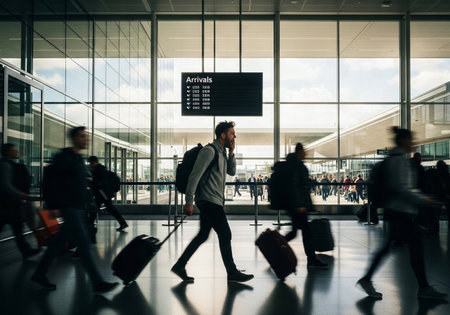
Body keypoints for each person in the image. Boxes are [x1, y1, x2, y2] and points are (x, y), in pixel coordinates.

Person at [356, 127, 447, 300]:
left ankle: (368, 279)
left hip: (397, 212)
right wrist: (425, 199)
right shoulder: (398, 161)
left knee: (396, 247)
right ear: (404, 141)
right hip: (400, 212)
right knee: (413, 248)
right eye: (411, 139)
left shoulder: (395, 159)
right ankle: (423, 287)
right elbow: (403, 189)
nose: (413, 142)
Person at [31, 126, 118, 293]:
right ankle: (97, 282)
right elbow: (49, 182)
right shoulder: (64, 158)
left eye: (87, 136)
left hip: (77, 207)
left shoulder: (79, 159)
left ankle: (40, 273)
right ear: (74, 138)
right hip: (69, 207)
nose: (86, 139)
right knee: (84, 244)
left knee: (57, 242)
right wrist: (53, 206)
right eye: (82, 136)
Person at [171, 121, 254, 283]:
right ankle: (232, 272)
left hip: (213, 200)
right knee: (225, 234)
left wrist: (232, 153)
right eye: (232, 133)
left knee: (202, 235)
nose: (234, 136)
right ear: (223, 135)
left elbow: (231, 171)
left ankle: (180, 265)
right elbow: (194, 176)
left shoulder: (222, 153)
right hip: (209, 200)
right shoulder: (209, 151)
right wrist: (189, 201)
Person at [284, 143, 328, 269]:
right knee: (306, 232)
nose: (306, 153)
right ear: (299, 151)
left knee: (295, 232)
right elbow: (295, 186)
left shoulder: (295, 164)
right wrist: (299, 205)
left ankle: (276, 246)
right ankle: (311, 259)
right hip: (297, 206)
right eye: (304, 150)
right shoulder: (296, 165)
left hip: (296, 205)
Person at [0, 144, 41, 260]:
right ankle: (26, 251)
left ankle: (26, 251)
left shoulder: (8, 164)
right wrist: (20, 194)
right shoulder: (5, 165)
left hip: (9, 204)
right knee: (17, 229)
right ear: (7, 152)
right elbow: (6, 185)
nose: (17, 152)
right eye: (14, 150)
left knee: (18, 229)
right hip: (8, 204)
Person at [88, 156, 128, 231]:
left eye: (90, 163)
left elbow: (100, 182)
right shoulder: (101, 169)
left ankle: (89, 225)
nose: (90, 165)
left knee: (95, 209)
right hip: (104, 193)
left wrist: (92, 180)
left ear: (94, 162)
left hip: (102, 193)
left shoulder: (98, 170)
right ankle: (122, 223)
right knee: (109, 208)